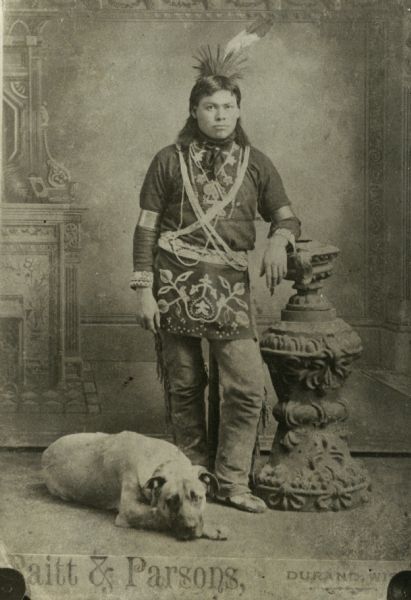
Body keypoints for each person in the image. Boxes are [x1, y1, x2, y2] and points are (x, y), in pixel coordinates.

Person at [131, 46, 300, 513]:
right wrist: (144, 290)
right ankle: (190, 480)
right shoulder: (168, 159)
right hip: (174, 284)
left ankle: (231, 482)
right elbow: (146, 228)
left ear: (239, 110)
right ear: (194, 110)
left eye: (228, 107)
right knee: (185, 386)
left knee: (245, 387)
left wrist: (278, 241)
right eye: (210, 107)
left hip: (229, 287)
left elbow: (287, 218)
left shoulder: (257, 163)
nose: (220, 115)